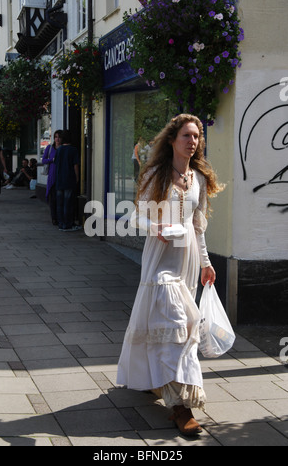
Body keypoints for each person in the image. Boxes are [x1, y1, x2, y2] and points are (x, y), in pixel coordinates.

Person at [117, 114, 225, 437]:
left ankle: (156, 381)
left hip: (187, 260)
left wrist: (205, 263)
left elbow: (198, 226)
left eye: (197, 137)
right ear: (172, 139)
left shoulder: (199, 179)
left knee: (174, 326)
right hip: (161, 259)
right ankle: (181, 406)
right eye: (186, 136)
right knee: (175, 325)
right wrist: (156, 227)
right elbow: (137, 216)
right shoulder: (156, 174)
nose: (192, 142)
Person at [55, 130, 81, 232]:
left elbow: (56, 163)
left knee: (60, 203)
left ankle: (61, 224)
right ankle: (68, 224)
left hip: (59, 179)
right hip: (69, 178)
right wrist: (77, 177)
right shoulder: (73, 150)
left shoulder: (59, 150)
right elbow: (75, 165)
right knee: (68, 203)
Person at [42, 130, 63, 224]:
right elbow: (43, 160)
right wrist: (52, 159)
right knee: (53, 199)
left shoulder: (63, 148)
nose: (57, 139)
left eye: (59, 137)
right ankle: (54, 218)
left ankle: (60, 217)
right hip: (52, 175)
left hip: (61, 176)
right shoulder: (50, 148)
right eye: (56, 137)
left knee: (60, 199)